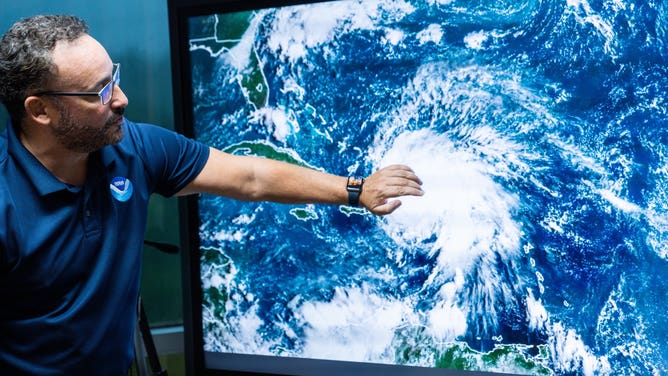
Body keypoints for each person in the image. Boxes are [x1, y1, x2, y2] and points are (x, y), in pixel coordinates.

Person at [0, 14, 423, 375]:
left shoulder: (136, 149)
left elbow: (250, 177)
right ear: (40, 111)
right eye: (99, 93)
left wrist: (357, 190)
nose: (122, 99)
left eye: (115, 78)